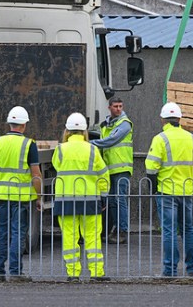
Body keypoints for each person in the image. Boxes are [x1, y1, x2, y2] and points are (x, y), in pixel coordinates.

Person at [145, 101, 193, 277]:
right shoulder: (192, 138)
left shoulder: (160, 139)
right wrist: (191, 184)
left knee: (169, 231)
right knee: (188, 230)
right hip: (186, 191)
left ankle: (170, 271)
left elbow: (151, 168)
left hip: (166, 191)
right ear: (179, 119)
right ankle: (192, 270)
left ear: (163, 120)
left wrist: (154, 188)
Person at [52, 112, 110, 282]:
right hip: (90, 200)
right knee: (92, 236)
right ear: (85, 131)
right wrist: (104, 196)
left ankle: (73, 273)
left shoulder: (60, 150)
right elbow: (103, 174)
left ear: (67, 131)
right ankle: (97, 272)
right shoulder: (92, 149)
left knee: (69, 237)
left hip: (66, 200)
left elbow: (57, 166)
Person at [0, 105, 42, 282]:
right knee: (18, 234)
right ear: (24, 125)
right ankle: (16, 272)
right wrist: (39, 197)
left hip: (1, 196)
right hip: (21, 198)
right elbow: (36, 175)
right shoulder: (28, 145)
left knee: (1, 234)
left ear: (9, 123)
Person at [90, 96, 133, 243]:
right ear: (109, 107)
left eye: (121, 106)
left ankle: (122, 231)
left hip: (121, 167)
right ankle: (116, 229)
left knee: (120, 199)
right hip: (110, 168)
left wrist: (89, 143)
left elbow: (111, 141)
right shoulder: (106, 125)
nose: (119, 109)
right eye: (115, 106)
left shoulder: (124, 124)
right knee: (113, 201)